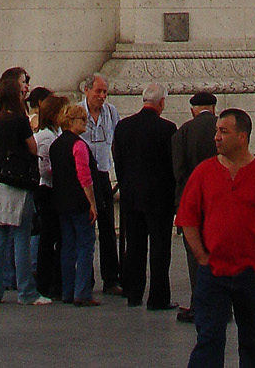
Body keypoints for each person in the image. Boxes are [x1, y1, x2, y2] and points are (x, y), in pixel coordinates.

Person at [175, 108, 255, 368]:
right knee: (208, 340)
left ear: (242, 137)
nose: (216, 137)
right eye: (217, 131)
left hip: (252, 273)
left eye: (223, 131)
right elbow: (188, 219)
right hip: (213, 274)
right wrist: (201, 256)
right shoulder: (203, 173)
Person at [113, 84, 178, 312]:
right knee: (160, 248)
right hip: (160, 198)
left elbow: (118, 160)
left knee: (135, 246)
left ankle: (133, 292)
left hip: (131, 196)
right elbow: (173, 166)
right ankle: (158, 298)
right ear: (161, 103)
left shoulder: (123, 127)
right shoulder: (167, 128)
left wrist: (126, 184)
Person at [0, 67, 40, 305]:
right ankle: (26, 291)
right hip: (18, 183)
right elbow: (33, 148)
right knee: (21, 238)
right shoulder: (19, 120)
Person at [173, 92, 219, 320]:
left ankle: (198, 304)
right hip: (219, 203)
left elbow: (179, 173)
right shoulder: (223, 129)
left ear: (193, 109)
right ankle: (223, 304)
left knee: (194, 255)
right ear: (213, 107)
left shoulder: (184, 131)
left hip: (192, 204)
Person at [50, 103, 99, 306]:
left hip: (61, 201)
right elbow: (84, 176)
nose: (85, 123)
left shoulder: (56, 145)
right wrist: (92, 203)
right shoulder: (78, 145)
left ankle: (67, 291)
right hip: (79, 201)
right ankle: (82, 292)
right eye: (82, 119)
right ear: (71, 121)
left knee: (67, 246)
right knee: (85, 245)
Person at [82, 75, 121, 295]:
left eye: (105, 92)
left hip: (103, 173)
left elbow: (115, 141)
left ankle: (111, 278)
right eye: (98, 91)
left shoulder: (111, 112)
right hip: (85, 174)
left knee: (107, 227)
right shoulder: (78, 112)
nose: (102, 96)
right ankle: (85, 277)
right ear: (87, 91)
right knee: (85, 227)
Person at [31, 89, 64, 302]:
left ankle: (54, 278)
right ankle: (44, 281)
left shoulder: (56, 134)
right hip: (47, 188)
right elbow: (43, 168)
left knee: (54, 235)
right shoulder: (44, 137)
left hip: (54, 188)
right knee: (48, 235)